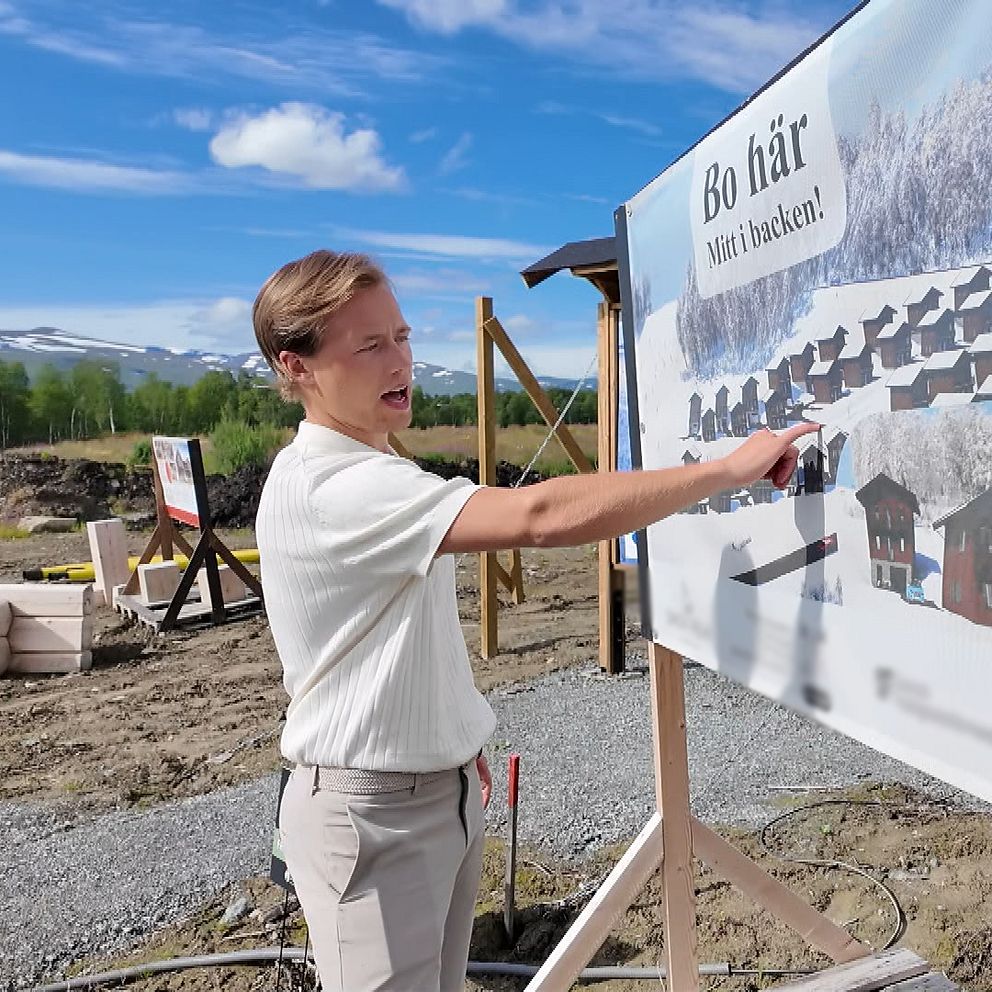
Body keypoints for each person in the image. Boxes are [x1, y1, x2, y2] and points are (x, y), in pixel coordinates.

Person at [252, 249, 815, 992]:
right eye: (370, 345)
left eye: (403, 335)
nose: (401, 361)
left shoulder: (373, 470)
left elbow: (398, 627)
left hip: (428, 795)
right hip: (375, 817)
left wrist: (453, 739)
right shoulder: (337, 487)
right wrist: (726, 471)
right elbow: (539, 515)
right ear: (297, 367)